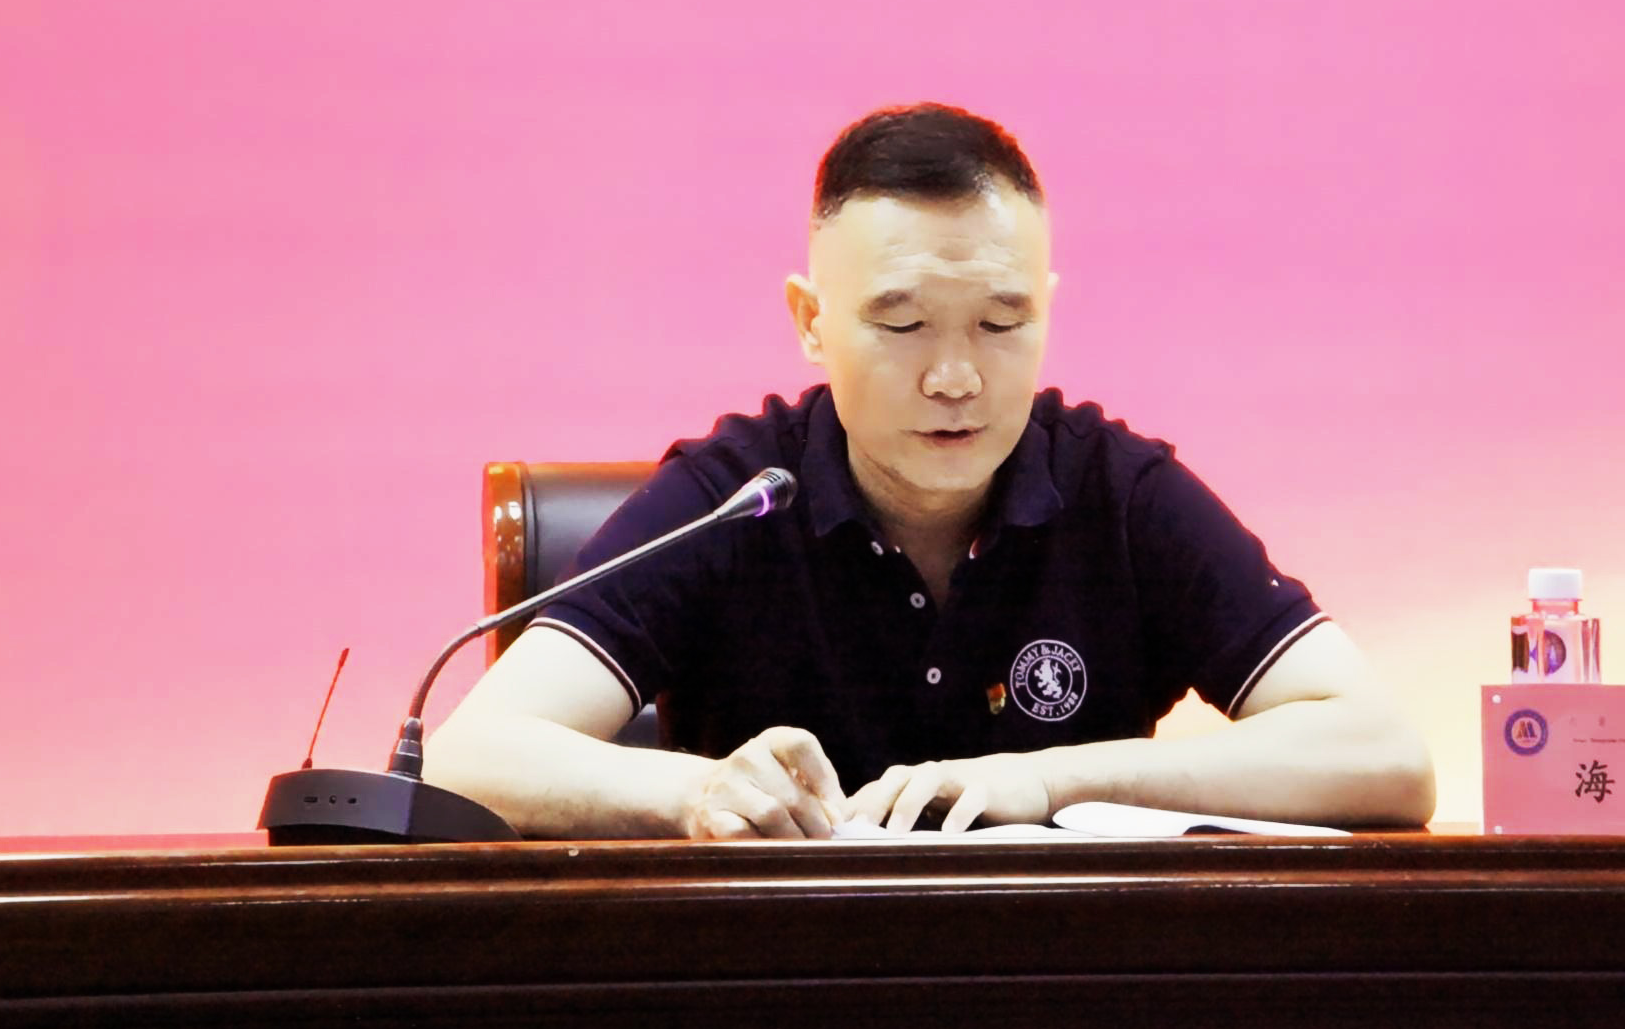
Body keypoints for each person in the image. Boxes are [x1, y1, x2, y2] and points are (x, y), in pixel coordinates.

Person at [428, 103, 1435, 838]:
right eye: (903, 325)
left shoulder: (1118, 493)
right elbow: (470, 755)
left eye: (1000, 324)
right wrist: (695, 792)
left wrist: (1050, 780)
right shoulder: (735, 496)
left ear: (1046, 310)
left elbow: (1384, 755)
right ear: (811, 321)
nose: (955, 377)